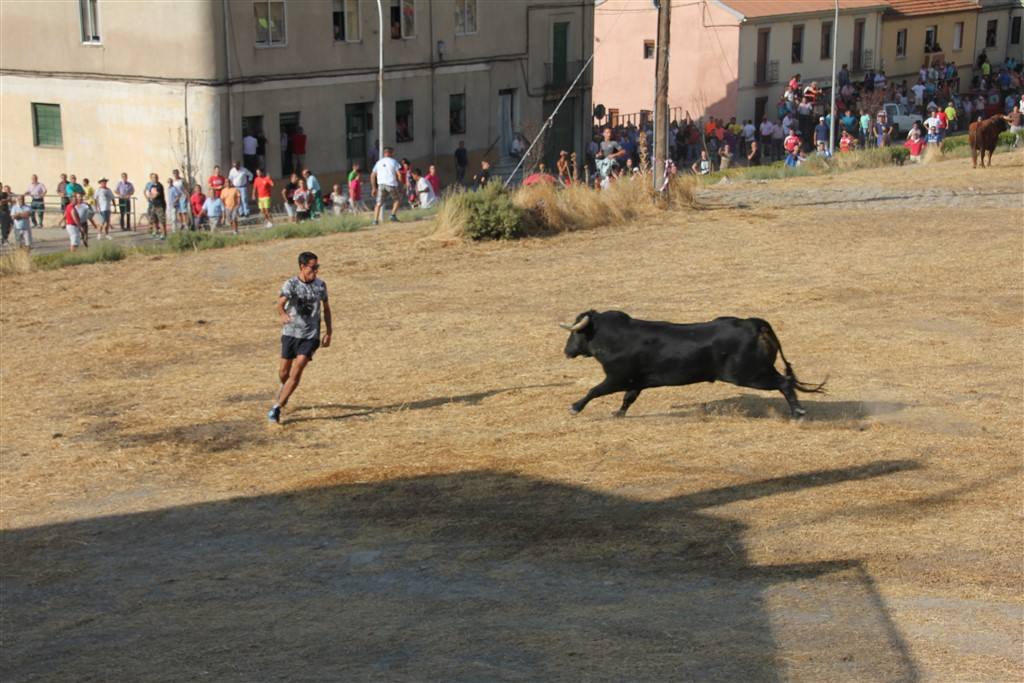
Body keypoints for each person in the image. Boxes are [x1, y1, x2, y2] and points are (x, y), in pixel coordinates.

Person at [268, 251, 332, 425]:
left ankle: (277, 408)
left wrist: (329, 332)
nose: (316, 271)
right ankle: (284, 389)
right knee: (284, 372)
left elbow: (326, 309)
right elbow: (280, 304)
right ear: (303, 267)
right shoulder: (291, 284)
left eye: (317, 267)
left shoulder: (320, 285)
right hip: (290, 333)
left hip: (310, 336)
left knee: (298, 369)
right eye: (313, 267)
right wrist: (282, 314)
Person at [370, 146, 402, 225]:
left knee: (378, 203)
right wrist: (401, 184)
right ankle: (393, 215)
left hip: (381, 184)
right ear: (391, 153)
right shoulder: (394, 162)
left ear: (384, 153)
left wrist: (374, 188)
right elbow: (399, 174)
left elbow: (372, 175)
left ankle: (375, 220)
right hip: (391, 183)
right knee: (397, 200)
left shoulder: (378, 162)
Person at [145, 173, 167, 239]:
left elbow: (156, 195)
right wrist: (150, 197)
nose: (155, 178)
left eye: (156, 177)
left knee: (161, 220)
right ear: (151, 178)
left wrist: (151, 197)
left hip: (160, 205)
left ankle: (164, 234)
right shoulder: (152, 186)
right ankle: (156, 232)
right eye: (153, 177)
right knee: (154, 220)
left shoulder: (159, 186)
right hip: (153, 205)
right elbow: (149, 194)